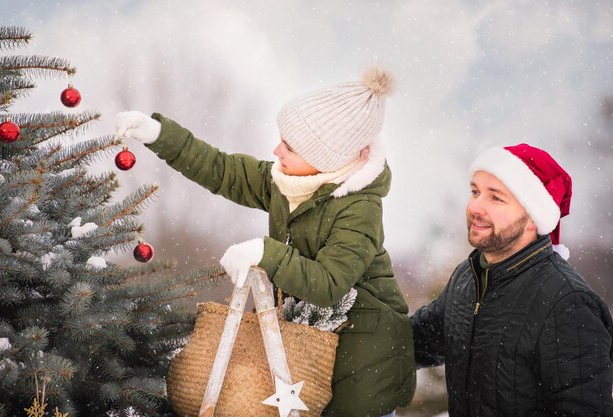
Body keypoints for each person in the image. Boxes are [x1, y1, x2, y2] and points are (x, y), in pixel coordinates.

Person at [114, 67, 416, 417]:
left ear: (326, 159)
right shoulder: (288, 182)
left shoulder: (359, 209)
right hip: (308, 345)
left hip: (361, 359)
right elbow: (223, 170)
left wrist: (267, 252)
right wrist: (158, 134)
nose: (277, 150)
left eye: (290, 146)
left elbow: (330, 284)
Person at [412, 143, 613, 417]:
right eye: (475, 192)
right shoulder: (469, 276)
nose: (475, 207)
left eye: (496, 198)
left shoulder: (567, 301)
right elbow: (414, 342)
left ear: (533, 217)